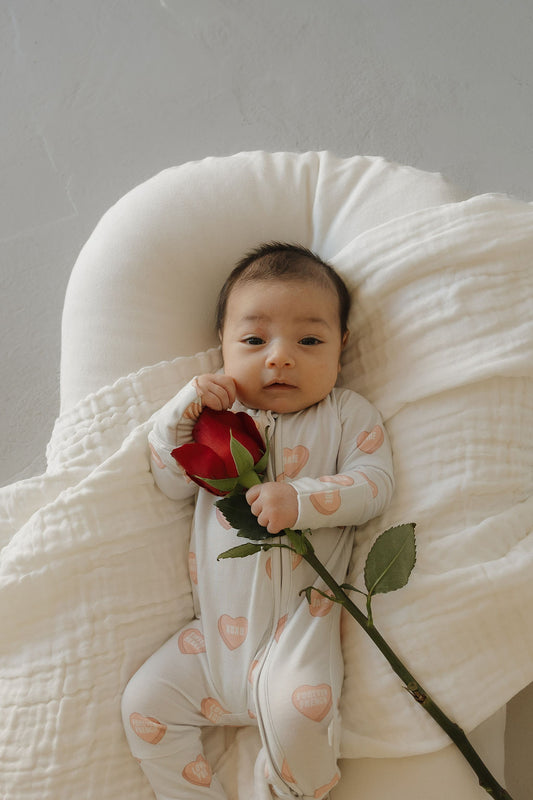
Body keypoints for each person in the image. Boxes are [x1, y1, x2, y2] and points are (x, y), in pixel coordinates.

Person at [121, 243, 395, 800]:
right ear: (220, 347)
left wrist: (302, 499)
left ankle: (291, 791)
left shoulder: (346, 414)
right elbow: (171, 480)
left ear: (342, 348)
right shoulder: (216, 421)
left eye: (309, 341)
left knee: (299, 720)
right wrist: (182, 412)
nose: (279, 357)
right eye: (253, 341)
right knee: (143, 708)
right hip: (214, 641)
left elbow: (375, 487)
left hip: (298, 631)